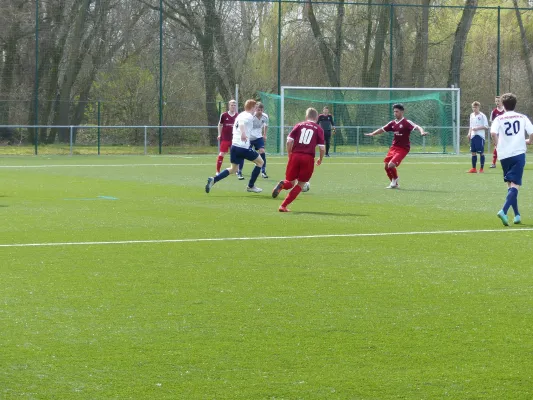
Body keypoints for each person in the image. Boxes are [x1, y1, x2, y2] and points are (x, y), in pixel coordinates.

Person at [490, 93, 533, 226]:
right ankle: (503, 210)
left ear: (503, 104)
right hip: (518, 154)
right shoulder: (522, 117)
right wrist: (529, 141)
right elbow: (532, 132)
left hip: (504, 155)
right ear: (515, 104)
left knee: (510, 185)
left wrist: (497, 145)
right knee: (516, 185)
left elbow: (493, 133)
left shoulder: (499, 119)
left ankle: (517, 215)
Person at [271, 107, 325, 212]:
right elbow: (322, 148)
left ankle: (282, 184)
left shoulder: (299, 125)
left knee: (290, 182)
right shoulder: (318, 129)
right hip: (308, 158)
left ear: (306, 116)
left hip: (295, 155)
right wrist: (320, 159)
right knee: (301, 184)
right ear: (317, 117)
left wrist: (289, 153)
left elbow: (289, 141)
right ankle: (283, 206)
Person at [364, 104, 429, 189]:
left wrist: (422, 132)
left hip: (403, 148)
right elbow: (382, 129)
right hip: (394, 147)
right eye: (394, 111)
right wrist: (373, 133)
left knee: (391, 165)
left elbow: (417, 127)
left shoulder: (406, 122)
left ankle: (395, 179)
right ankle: (394, 183)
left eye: (397, 111)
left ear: (402, 112)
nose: (395, 113)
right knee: (386, 167)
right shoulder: (392, 123)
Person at [205, 99, 264, 193]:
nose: (256, 110)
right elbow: (241, 124)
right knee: (260, 162)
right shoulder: (248, 116)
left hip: (234, 146)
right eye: (255, 108)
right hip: (243, 147)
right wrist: (243, 133)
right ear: (252, 108)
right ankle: (251, 186)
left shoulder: (241, 114)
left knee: (233, 169)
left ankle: (214, 180)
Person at [237, 102, 269, 179]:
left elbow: (266, 125)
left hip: (258, 137)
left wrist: (264, 134)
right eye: (258, 110)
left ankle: (263, 171)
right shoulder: (251, 116)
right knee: (243, 153)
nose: (260, 111)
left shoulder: (265, 116)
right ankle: (239, 171)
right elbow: (243, 124)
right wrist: (243, 134)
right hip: (249, 137)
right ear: (255, 109)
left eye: (261, 110)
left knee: (262, 151)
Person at [216, 100, 238, 175]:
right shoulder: (224, 115)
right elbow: (220, 124)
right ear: (229, 106)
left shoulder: (238, 116)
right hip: (225, 138)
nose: (233, 107)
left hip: (234, 139)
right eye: (232, 105)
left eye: (234, 105)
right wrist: (219, 134)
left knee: (235, 154)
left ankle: (235, 170)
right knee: (222, 153)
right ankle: (218, 171)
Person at [466, 101, 489, 173]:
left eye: (476, 107)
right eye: (473, 107)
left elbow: (486, 126)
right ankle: (474, 168)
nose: (474, 109)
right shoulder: (471, 115)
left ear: (478, 107)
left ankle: (481, 169)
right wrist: (469, 133)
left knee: (481, 152)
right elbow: (471, 126)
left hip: (480, 136)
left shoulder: (482, 115)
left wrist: (477, 128)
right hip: (473, 136)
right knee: (473, 152)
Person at [490, 96, 505, 168]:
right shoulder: (494, 112)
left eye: (499, 101)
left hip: (505, 132)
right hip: (497, 132)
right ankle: (493, 163)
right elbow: (492, 123)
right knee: (496, 146)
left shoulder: (505, 111)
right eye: (496, 101)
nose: (497, 102)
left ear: (502, 102)